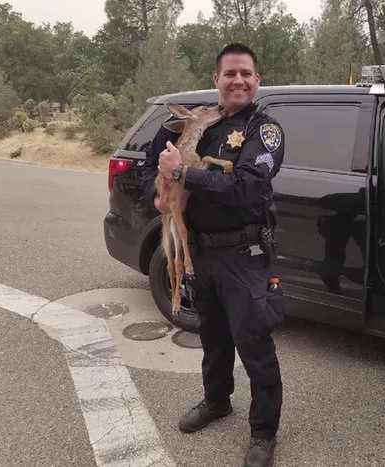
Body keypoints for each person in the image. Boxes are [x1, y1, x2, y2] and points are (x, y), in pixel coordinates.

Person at [141, 43, 285, 467]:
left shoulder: (264, 130)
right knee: (213, 337)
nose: (237, 80)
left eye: (246, 74)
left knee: (254, 344)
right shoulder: (197, 122)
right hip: (200, 251)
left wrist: (183, 173)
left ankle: (263, 432)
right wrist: (159, 191)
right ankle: (216, 400)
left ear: (257, 81)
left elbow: (246, 186)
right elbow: (153, 162)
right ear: (216, 80)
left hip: (244, 254)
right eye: (230, 74)